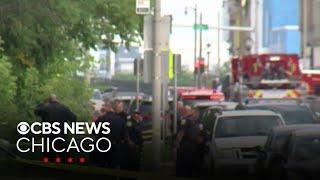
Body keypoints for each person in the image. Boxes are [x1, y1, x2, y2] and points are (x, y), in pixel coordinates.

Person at [34, 94, 77, 162]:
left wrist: (43, 103)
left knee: (48, 159)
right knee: (64, 159)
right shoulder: (64, 108)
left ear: (49, 101)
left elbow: (36, 111)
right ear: (58, 100)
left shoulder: (45, 108)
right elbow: (74, 118)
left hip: (48, 138)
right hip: (62, 137)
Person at [93, 100, 126, 168]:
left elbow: (94, 131)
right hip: (115, 147)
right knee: (113, 167)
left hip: (102, 145)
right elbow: (123, 135)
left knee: (101, 166)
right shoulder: (120, 120)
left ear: (109, 108)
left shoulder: (101, 118)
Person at [174, 107, 205, 177]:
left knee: (187, 161)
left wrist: (177, 143)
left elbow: (181, 132)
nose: (196, 115)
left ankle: (187, 173)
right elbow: (181, 132)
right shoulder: (196, 122)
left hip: (189, 145)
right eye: (195, 113)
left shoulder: (189, 121)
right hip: (192, 145)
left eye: (196, 113)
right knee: (189, 161)